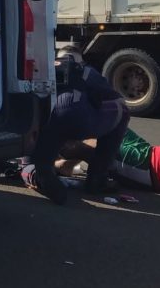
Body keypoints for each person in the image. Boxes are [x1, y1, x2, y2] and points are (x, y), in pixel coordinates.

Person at [25, 49, 130, 204]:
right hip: (79, 116)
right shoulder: (86, 71)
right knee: (122, 109)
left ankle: (39, 173)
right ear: (80, 61)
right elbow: (110, 96)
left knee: (38, 161)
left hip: (51, 120)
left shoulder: (43, 71)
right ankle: (97, 178)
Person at [56, 129, 160, 201]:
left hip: (146, 169)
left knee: (93, 148)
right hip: (148, 150)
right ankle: (67, 164)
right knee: (110, 123)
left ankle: (42, 159)